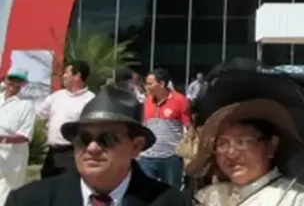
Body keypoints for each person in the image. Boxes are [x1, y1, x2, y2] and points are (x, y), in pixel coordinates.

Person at [6, 86, 189, 205]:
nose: (92, 148)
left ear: (136, 146)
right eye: (83, 139)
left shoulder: (170, 203)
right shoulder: (28, 201)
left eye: (106, 139)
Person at [189, 99, 304, 205]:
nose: (231, 153)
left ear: (270, 147)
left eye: (242, 142)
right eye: (222, 144)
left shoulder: (296, 199)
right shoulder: (210, 197)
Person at [35, 60, 96, 179]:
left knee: (67, 186)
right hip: (52, 153)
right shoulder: (57, 96)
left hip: (72, 153)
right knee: (47, 185)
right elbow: (39, 114)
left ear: (77, 76)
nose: (63, 76)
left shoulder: (90, 100)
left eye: (66, 73)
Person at [139, 68, 191, 188]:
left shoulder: (180, 101)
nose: (146, 87)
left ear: (161, 84)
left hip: (171, 158)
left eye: (150, 83)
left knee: (171, 194)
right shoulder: (146, 102)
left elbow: (188, 128)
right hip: (147, 157)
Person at [0, 70, 36, 202]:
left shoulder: (26, 104)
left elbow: (26, 135)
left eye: (18, 81)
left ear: (23, 84)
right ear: (5, 79)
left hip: (13, 158)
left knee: (8, 193)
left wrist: (3, 139)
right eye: (12, 79)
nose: (14, 83)